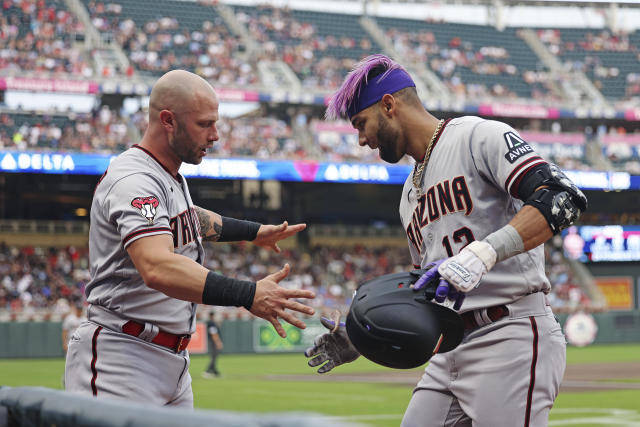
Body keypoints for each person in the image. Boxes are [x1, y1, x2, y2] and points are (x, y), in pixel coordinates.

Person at [304, 55, 587, 427]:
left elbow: (562, 197)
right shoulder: (408, 195)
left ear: (389, 105)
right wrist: (362, 337)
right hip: (449, 346)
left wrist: (483, 253)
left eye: (361, 123)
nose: (360, 140)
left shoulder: (476, 136)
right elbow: (427, 291)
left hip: (509, 334)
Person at [65, 70, 316, 407]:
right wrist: (248, 293)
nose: (215, 135)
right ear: (168, 120)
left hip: (170, 361)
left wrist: (252, 232)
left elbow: (189, 217)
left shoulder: (166, 174)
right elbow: (158, 266)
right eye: (204, 124)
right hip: (122, 358)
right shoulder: (136, 179)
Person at [202, 310, 223, 378]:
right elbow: (213, 333)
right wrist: (218, 342)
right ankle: (207, 371)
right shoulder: (211, 323)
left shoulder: (211, 322)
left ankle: (215, 371)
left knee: (215, 356)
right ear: (213, 316)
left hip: (213, 341)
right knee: (214, 356)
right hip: (213, 342)